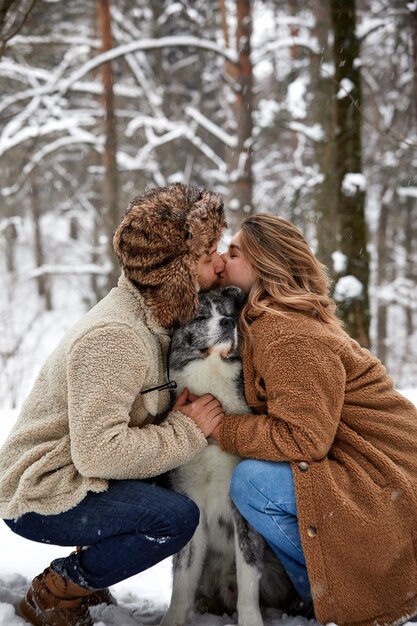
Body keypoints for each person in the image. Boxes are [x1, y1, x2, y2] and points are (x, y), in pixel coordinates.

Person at [0, 183, 227, 626]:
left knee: (185, 481)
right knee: (176, 518)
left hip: (82, 473)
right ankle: (59, 589)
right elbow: (98, 452)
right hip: (43, 488)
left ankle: (89, 570)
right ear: (176, 273)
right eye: (206, 256)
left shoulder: (156, 313)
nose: (219, 263)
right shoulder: (116, 337)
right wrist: (186, 429)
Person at [211, 212, 417, 626]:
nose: (221, 258)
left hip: (385, 477)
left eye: (233, 252)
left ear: (264, 266)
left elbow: (304, 440)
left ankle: (339, 596)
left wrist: (219, 426)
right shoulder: (271, 322)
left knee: (252, 482)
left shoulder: (287, 334)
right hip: (378, 467)